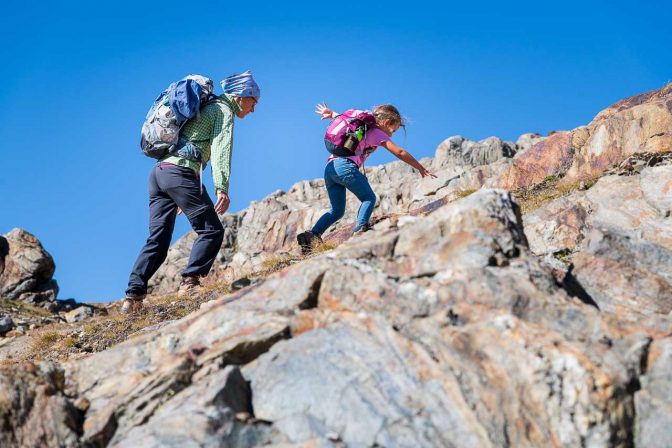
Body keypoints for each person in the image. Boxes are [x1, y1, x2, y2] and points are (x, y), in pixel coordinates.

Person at [121, 70, 260, 313]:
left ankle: (133, 297)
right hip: (180, 173)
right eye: (254, 102)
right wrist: (222, 187)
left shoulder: (206, 108)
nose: (253, 109)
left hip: (160, 173)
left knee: (158, 239)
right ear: (240, 96)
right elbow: (221, 149)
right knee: (212, 230)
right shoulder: (223, 110)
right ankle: (190, 282)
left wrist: (178, 195)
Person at [297, 103, 435, 253]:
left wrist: (331, 114)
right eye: (393, 130)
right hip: (344, 167)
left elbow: (342, 119)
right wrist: (420, 167)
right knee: (369, 198)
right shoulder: (377, 133)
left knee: (337, 210)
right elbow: (400, 152)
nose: (391, 134)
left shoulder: (359, 124)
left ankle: (312, 235)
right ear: (387, 123)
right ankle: (360, 230)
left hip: (330, 169)